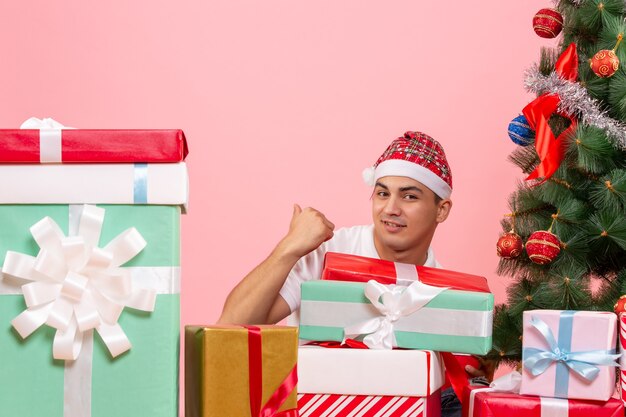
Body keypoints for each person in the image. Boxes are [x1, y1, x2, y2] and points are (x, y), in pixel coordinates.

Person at [218, 131, 494, 416]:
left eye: (409, 196)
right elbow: (232, 325)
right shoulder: (327, 251)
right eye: (382, 193)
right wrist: (289, 247)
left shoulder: (443, 296)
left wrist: (477, 373)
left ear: (442, 210)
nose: (390, 209)